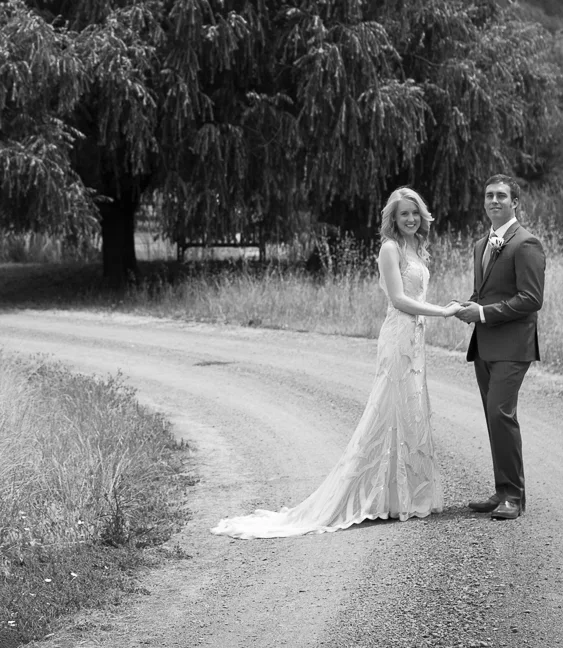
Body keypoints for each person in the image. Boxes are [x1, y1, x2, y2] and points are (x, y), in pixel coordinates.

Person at [211, 187, 461, 539]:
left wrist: (441, 311)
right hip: (398, 337)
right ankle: (371, 494)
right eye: (404, 213)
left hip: (415, 339)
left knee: (410, 411)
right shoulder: (389, 249)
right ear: (393, 217)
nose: (410, 219)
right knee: (387, 411)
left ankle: (401, 497)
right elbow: (399, 299)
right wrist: (443, 312)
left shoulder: (416, 249)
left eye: (415, 213)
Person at [452, 173, 545, 521]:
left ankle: (515, 497)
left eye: (501, 196)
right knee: (494, 419)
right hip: (485, 344)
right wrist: (465, 307)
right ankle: (501, 490)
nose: (494, 201)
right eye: (489, 195)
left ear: (515, 202)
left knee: (500, 414)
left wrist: (484, 313)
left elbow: (531, 300)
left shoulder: (526, 244)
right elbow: (483, 295)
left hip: (513, 346)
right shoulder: (480, 244)